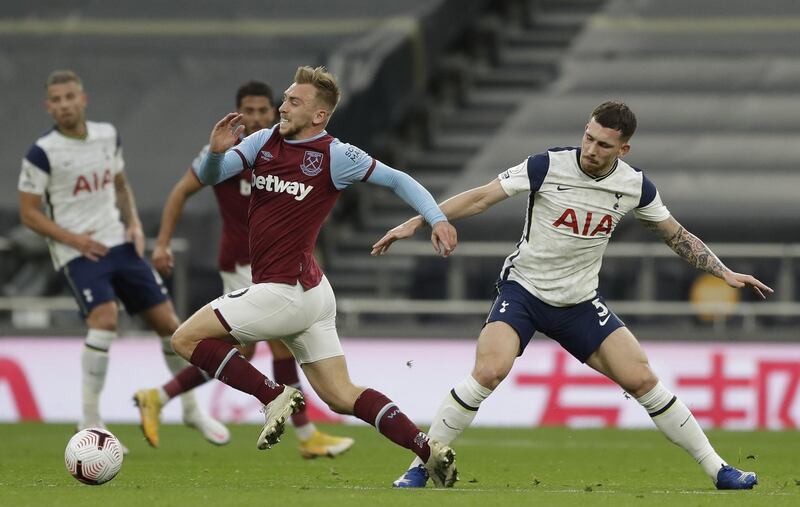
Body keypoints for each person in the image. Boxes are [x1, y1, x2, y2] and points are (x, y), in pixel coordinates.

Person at [373, 101, 771, 490]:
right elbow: (481, 196)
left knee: (642, 378)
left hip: (579, 303)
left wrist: (724, 271)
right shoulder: (546, 166)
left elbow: (676, 235)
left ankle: (718, 470)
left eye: (603, 145)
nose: (591, 149)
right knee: (489, 370)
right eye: (588, 137)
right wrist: (420, 219)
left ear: (623, 149)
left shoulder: (633, 186)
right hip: (524, 292)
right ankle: (420, 466)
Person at [165, 66, 459, 487]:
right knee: (342, 395)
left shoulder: (335, 155)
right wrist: (214, 154)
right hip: (312, 293)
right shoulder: (262, 141)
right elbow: (213, 176)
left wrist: (436, 218)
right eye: (284, 99)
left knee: (184, 339)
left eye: (293, 102)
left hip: (286, 291)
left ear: (319, 116)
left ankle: (273, 396)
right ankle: (427, 450)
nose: (283, 107)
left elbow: (397, 180)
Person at [133, 80, 354, 458]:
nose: (254, 118)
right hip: (243, 264)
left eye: (261, 111)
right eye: (247, 111)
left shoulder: (288, 147)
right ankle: (303, 434)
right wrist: (164, 242)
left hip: (278, 265)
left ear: (272, 112)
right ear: (238, 113)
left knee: (275, 350)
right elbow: (180, 191)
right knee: (262, 349)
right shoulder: (231, 151)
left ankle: (304, 435)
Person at [17, 70, 225, 451]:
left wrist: (133, 223)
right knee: (105, 319)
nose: (64, 105)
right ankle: (90, 420)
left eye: (69, 97)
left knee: (170, 324)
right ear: (49, 107)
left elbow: (120, 183)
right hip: (79, 253)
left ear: (83, 100)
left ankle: (192, 410)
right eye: (56, 100)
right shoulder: (42, 153)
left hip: (120, 245)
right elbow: (29, 212)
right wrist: (73, 238)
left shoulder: (107, 135)